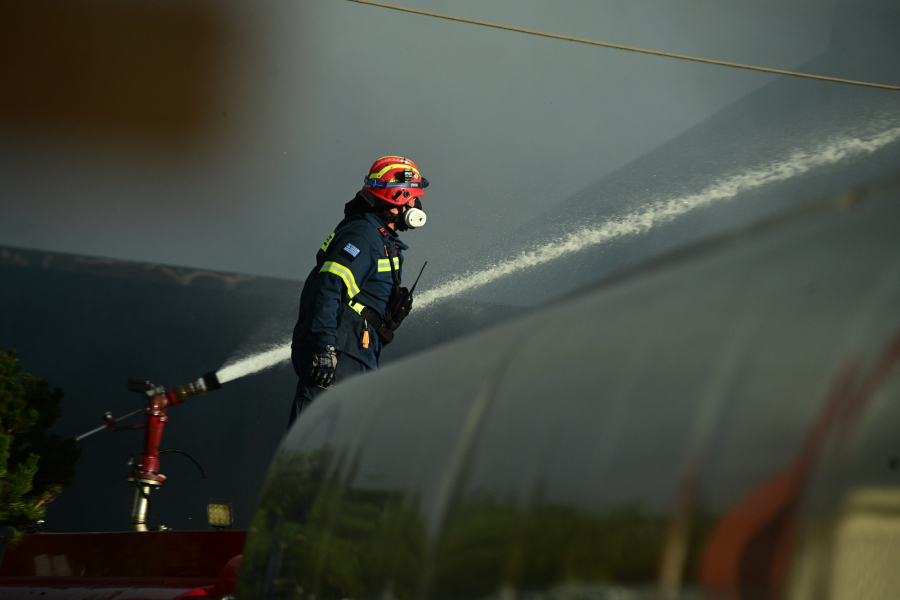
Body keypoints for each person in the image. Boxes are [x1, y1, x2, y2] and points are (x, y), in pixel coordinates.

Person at [288, 156, 430, 425]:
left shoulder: (380, 239)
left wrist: (385, 317)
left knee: (339, 443)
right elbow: (328, 288)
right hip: (340, 354)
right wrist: (325, 348)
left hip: (357, 352)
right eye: (413, 198)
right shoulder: (363, 236)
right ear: (399, 198)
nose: (416, 206)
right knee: (316, 438)